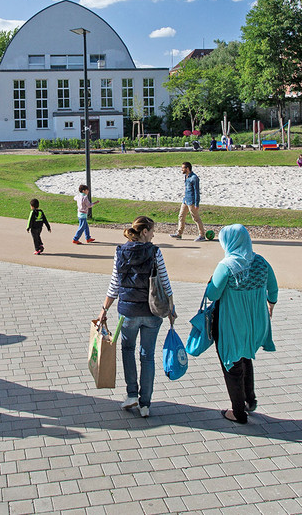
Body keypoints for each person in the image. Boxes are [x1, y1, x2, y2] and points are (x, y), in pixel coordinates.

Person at [98, 216, 175, 418]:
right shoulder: (155, 252)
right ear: (143, 232)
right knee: (147, 355)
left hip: (128, 312)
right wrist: (171, 309)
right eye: (151, 231)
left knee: (128, 350)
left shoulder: (120, 252)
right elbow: (165, 283)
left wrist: (104, 308)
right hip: (152, 311)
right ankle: (145, 403)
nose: (153, 234)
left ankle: (132, 394)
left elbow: (114, 284)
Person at [206, 224, 277, 424]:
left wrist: (211, 282)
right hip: (255, 322)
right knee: (246, 356)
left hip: (231, 322)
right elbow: (273, 289)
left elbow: (213, 294)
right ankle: (250, 399)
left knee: (232, 363)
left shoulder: (227, 265)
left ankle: (238, 412)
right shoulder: (261, 262)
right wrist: (271, 305)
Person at [170, 162, 205, 242]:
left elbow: (196, 191)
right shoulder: (187, 176)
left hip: (191, 201)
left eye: (183, 168)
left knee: (196, 218)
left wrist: (196, 203)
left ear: (187, 168)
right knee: (181, 216)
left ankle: (202, 235)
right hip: (185, 200)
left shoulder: (194, 178)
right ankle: (179, 234)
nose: (181, 169)